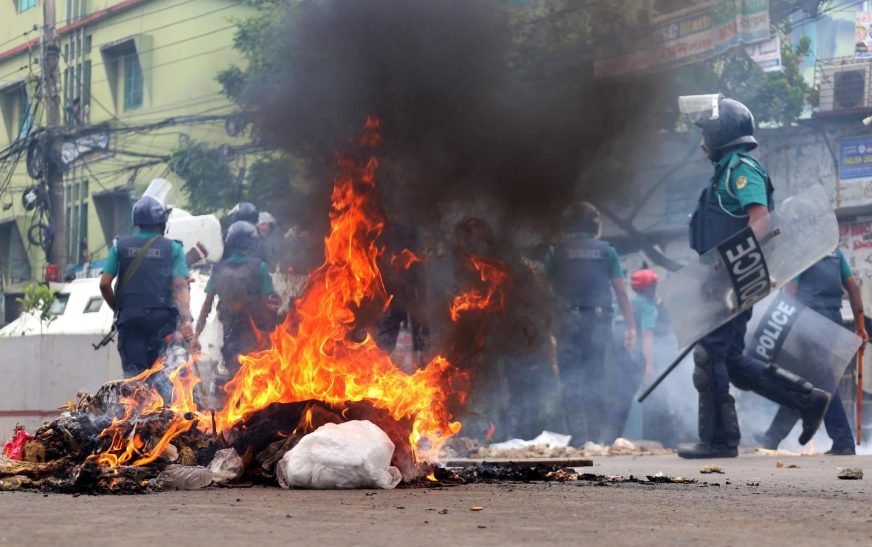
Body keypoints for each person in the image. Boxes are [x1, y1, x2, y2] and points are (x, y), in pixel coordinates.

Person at [678, 96, 830, 459]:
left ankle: (718, 441)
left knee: (710, 356)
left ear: (722, 132)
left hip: (734, 281)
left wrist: (729, 269)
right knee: (731, 362)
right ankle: (807, 400)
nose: (702, 143)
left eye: (706, 134)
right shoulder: (724, 172)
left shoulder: (741, 169)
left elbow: (760, 222)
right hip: (724, 281)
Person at [758, 249, 868, 455]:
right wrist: (860, 325)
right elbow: (853, 288)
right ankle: (773, 436)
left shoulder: (802, 253)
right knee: (803, 382)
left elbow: (790, 292)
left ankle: (843, 439)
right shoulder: (837, 254)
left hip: (808, 322)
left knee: (821, 382)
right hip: (833, 321)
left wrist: (776, 328)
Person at [545, 201, 637, 445]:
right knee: (595, 378)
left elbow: (541, 291)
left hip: (566, 322)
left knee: (570, 380)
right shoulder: (608, 251)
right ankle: (594, 440)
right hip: (598, 321)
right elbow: (621, 291)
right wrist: (631, 326)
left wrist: (546, 327)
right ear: (594, 225)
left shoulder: (556, 252)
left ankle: (577, 438)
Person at [99, 193, 193, 398]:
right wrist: (186, 320)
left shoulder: (119, 246)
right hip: (163, 323)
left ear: (136, 222)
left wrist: (119, 309)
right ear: (162, 222)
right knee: (164, 376)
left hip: (131, 322)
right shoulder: (173, 248)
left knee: (135, 382)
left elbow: (105, 283)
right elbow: (180, 286)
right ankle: (168, 422)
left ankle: (136, 423)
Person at [193, 221, 278, 384]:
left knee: (234, 377)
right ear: (253, 243)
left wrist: (196, 335)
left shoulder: (218, 270)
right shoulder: (259, 267)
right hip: (255, 334)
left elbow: (206, 305)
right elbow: (269, 303)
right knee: (256, 377)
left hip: (229, 333)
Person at [606, 268, 659, 440]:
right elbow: (647, 334)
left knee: (620, 397)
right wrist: (649, 365)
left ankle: (609, 439)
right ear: (649, 288)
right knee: (650, 396)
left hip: (616, 356)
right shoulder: (647, 307)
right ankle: (652, 437)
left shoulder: (623, 305)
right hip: (636, 357)